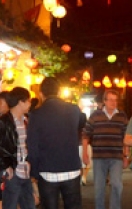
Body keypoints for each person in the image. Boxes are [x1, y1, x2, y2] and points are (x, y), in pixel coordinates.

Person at [27, 77, 85, 209]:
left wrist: (34, 173)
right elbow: (81, 125)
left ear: (41, 94)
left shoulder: (36, 115)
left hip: (47, 172)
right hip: (71, 169)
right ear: (59, 92)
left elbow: (33, 146)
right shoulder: (74, 110)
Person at [0, 87, 35, 209]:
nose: (30, 104)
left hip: (26, 171)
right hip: (12, 173)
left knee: (29, 205)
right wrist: (5, 165)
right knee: (10, 205)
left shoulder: (27, 121)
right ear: (20, 102)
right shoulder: (3, 122)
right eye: (28, 101)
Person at [82, 89, 129, 209]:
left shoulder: (122, 116)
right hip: (99, 156)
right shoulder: (95, 116)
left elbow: (126, 137)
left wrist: (126, 155)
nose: (113, 103)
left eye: (115, 100)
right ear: (104, 101)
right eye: (110, 100)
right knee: (99, 187)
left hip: (116, 156)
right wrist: (85, 153)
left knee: (117, 184)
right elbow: (86, 134)